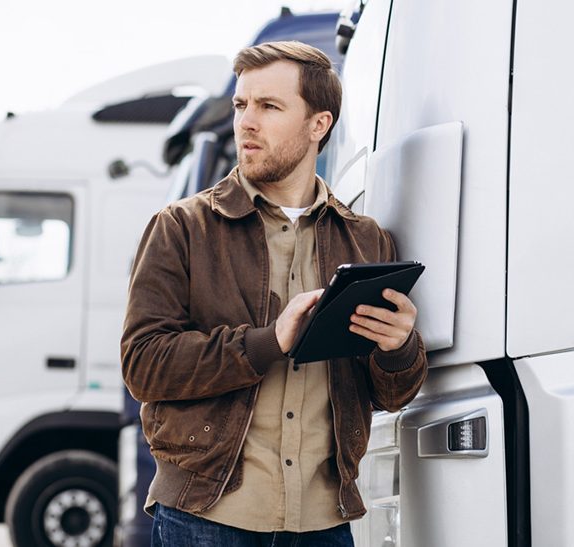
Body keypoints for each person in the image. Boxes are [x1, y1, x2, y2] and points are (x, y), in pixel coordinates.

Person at [121, 41, 428, 547]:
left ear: (318, 125)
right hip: (205, 518)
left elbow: (391, 395)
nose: (246, 122)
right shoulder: (181, 227)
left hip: (324, 526)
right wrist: (268, 341)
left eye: (269, 106)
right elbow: (142, 365)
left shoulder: (368, 240)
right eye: (242, 105)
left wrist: (399, 348)